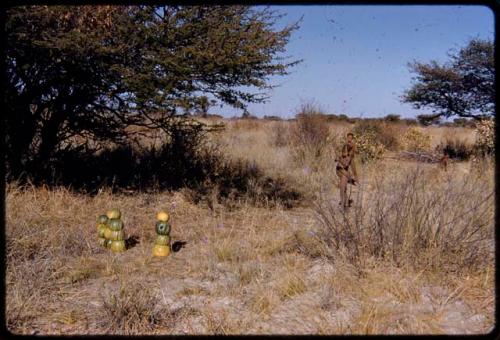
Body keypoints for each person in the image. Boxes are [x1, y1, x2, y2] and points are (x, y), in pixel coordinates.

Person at [336, 133, 358, 208]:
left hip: (344, 172)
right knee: (343, 188)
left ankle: (344, 205)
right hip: (340, 171)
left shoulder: (350, 156)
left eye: (351, 138)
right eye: (348, 137)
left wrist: (355, 176)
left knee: (343, 188)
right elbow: (338, 159)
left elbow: (352, 166)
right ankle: (344, 204)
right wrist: (339, 158)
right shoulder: (344, 147)